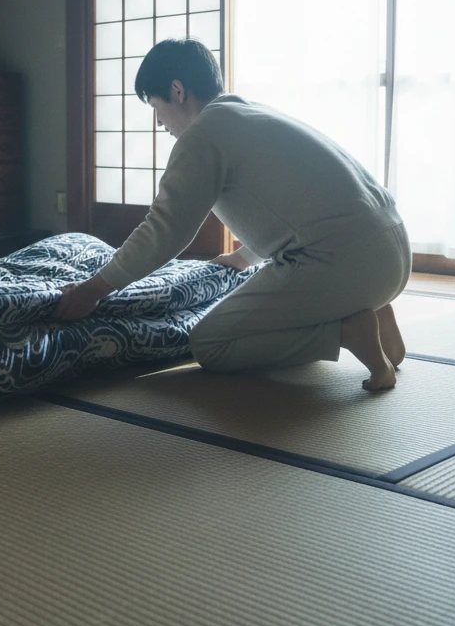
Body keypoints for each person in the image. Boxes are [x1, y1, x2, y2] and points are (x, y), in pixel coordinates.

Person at [54, 38, 410, 391]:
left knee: (211, 345)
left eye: (155, 107)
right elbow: (289, 208)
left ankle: (347, 330)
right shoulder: (249, 113)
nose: (159, 123)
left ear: (177, 91)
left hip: (347, 261)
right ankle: (375, 313)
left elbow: (165, 231)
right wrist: (242, 257)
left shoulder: (202, 135)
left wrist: (93, 289)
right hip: (392, 252)